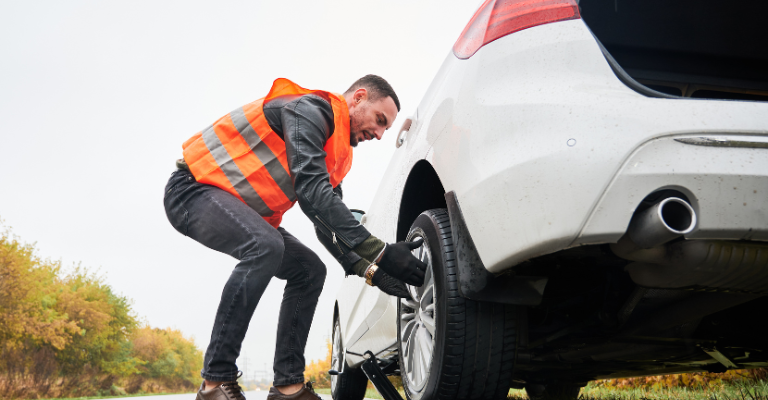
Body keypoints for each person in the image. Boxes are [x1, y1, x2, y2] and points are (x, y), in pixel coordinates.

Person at [163, 75, 427, 400]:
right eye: (380, 121)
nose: (380, 134)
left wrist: (372, 270)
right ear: (358, 98)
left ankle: (288, 388)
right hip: (192, 190)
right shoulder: (309, 110)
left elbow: (326, 223)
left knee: (309, 270)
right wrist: (383, 252)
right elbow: (312, 191)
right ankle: (215, 382)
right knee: (265, 246)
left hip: (242, 210)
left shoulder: (334, 155)